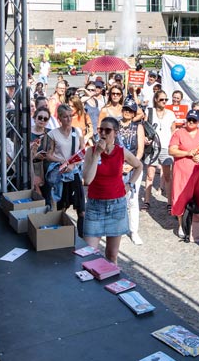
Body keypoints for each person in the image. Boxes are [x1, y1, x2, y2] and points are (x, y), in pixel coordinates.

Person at [81, 116, 142, 263]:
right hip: (95, 207)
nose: (103, 133)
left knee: (112, 255)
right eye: (100, 130)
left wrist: (130, 184)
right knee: (89, 255)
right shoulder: (91, 151)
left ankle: (111, 283)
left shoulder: (122, 152)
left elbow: (139, 166)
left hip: (116, 206)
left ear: (115, 132)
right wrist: (97, 154)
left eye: (107, 130)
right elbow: (87, 180)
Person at [169, 108, 199, 242]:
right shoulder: (179, 133)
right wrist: (187, 153)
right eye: (189, 119)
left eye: (194, 120)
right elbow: (172, 150)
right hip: (183, 171)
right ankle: (181, 225)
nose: (191, 122)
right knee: (181, 197)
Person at [47, 103, 86, 231]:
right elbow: (49, 155)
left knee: (81, 209)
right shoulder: (53, 134)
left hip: (74, 172)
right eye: (65, 117)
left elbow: (82, 151)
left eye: (70, 116)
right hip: (61, 174)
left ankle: (82, 236)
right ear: (59, 118)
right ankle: (61, 234)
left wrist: (73, 164)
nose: (69, 119)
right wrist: (62, 161)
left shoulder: (77, 131)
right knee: (61, 207)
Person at [116, 98, 146, 245]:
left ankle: (134, 231)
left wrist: (133, 165)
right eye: (125, 109)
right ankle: (117, 229)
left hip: (134, 167)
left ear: (134, 113)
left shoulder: (138, 127)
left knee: (133, 200)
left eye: (131, 110)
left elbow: (140, 150)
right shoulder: (115, 125)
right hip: (117, 167)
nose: (127, 112)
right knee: (118, 198)